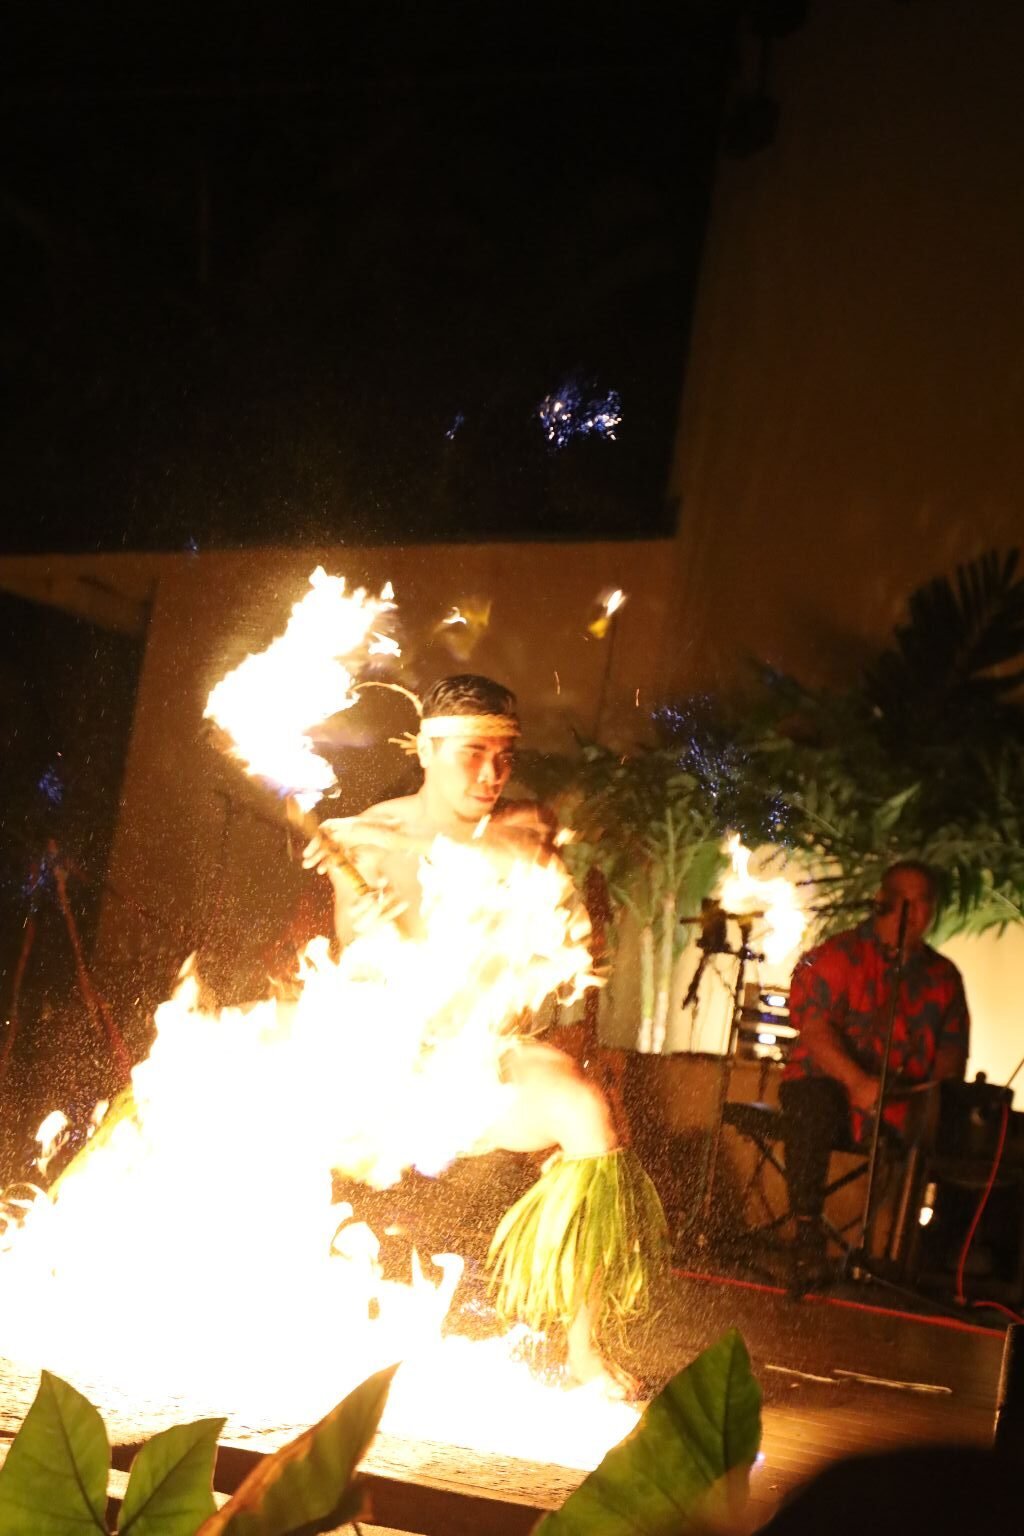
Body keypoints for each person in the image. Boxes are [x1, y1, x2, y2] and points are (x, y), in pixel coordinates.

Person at [303, 673, 667, 1392]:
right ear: (426, 750)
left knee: (587, 1114)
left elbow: (563, 953)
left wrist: (550, 939)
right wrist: (370, 934)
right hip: (387, 1067)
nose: (492, 774)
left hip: (485, 1062)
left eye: (504, 757)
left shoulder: (524, 843)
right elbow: (353, 963)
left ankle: (585, 1352)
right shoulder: (367, 840)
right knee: (255, 1073)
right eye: (473, 753)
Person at [779, 860, 969, 1272]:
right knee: (812, 1102)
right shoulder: (837, 955)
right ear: (882, 901)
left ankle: (937, 1258)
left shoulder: (943, 977)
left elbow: (952, 1054)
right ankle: (807, 1232)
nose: (912, 913)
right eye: (903, 900)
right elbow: (813, 1030)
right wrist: (858, 1082)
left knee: (963, 1127)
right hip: (829, 1088)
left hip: (902, 1102)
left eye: (922, 902)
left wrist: (936, 1099)